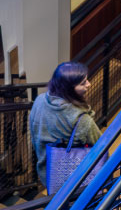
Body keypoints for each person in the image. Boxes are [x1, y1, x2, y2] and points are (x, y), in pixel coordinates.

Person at [28, 61, 102, 189]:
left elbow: (35, 135)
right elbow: (102, 148)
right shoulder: (82, 120)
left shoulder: (39, 101)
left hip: (48, 173)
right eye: (83, 83)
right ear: (68, 88)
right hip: (74, 181)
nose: (89, 84)